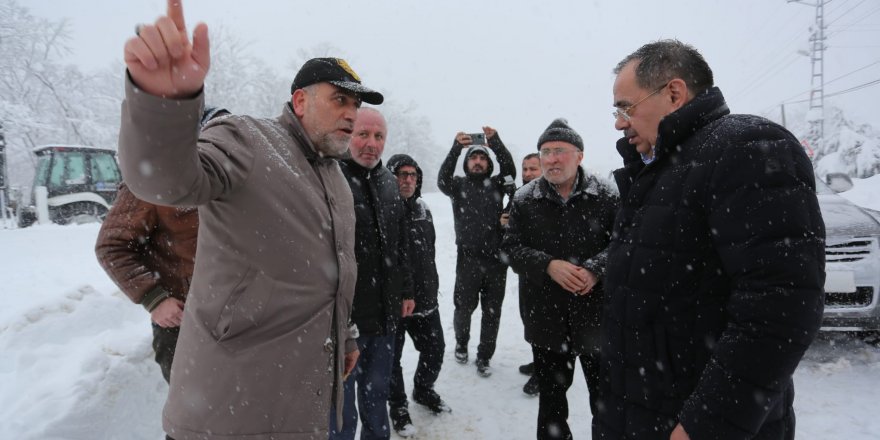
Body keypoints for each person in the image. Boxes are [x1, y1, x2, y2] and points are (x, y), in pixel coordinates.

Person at [118, 2, 384, 438]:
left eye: (355, 104)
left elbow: (332, 274)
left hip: (298, 403)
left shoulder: (335, 178)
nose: (352, 114)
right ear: (300, 101)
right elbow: (167, 180)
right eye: (339, 99)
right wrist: (164, 105)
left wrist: (347, 334)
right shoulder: (247, 140)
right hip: (225, 409)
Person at [595, 39, 825, 440]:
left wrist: (707, 425)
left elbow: (781, 308)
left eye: (625, 107)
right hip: (642, 416)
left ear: (674, 92)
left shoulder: (746, 147)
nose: (619, 122)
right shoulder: (658, 172)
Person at [94, 107, 228, 384]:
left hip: (234, 318)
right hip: (183, 321)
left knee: (238, 411)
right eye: (212, 139)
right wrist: (154, 299)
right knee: (190, 416)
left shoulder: (234, 183)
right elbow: (111, 246)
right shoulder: (152, 182)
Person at [503, 119, 618, 439]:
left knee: (606, 402)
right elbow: (510, 249)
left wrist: (595, 269)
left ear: (579, 155)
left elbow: (624, 244)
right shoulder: (526, 199)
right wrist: (548, 265)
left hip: (596, 318)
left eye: (560, 151)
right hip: (546, 318)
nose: (551, 159)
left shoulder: (605, 194)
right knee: (552, 404)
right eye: (546, 152)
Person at [330, 108, 414, 440]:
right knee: (340, 408)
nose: (371, 144)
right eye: (362, 134)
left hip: (386, 315)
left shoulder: (388, 183)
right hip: (344, 318)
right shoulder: (329, 178)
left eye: (379, 136)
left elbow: (400, 244)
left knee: (377, 397)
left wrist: (406, 289)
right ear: (347, 134)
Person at [438, 127, 516, 377]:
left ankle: (484, 356)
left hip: (496, 260)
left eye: (483, 158)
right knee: (463, 308)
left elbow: (511, 172)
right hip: (468, 259)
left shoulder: (497, 184)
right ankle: (461, 343)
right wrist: (455, 148)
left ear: (488, 163)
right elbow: (442, 179)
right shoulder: (457, 185)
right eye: (474, 157)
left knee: (492, 312)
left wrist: (496, 141)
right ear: (467, 162)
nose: (479, 161)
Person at [386, 153, 450, 437]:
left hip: (425, 299)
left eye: (413, 175)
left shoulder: (424, 209)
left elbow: (430, 252)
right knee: (392, 360)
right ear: (392, 177)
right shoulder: (384, 209)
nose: (408, 180)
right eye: (402, 174)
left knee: (435, 350)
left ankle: (423, 390)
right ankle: (398, 407)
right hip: (394, 303)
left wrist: (430, 286)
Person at [506, 152, 543, 396]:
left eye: (533, 169)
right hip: (527, 272)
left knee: (544, 325)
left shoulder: (548, 196)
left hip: (547, 273)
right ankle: (538, 362)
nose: (527, 173)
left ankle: (545, 372)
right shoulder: (520, 196)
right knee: (529, 320)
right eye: (525, 168)